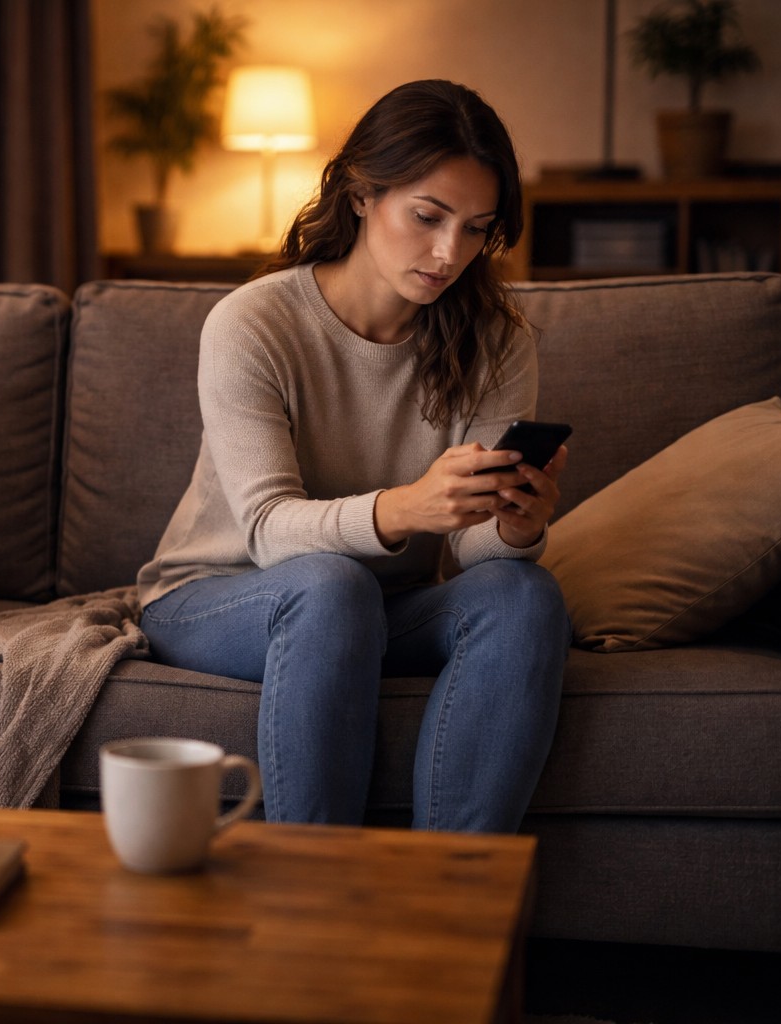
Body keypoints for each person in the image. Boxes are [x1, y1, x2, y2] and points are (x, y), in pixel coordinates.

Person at [136, 80, 570, 833]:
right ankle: (315, 898)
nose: (448, 253)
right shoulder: (253, 323)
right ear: (362, 193)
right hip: (221, 592)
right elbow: (269, 530)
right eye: (428, 217)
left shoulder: (499, 341)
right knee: (330, 588)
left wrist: (515, 528)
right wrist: (407, 507)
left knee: (525, 595)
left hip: (380, 605)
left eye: (476, 229)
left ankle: (455, 899)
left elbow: (471, 549)